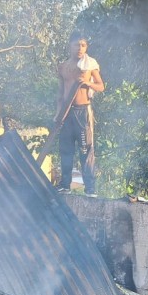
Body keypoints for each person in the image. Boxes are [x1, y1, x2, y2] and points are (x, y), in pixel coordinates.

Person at [55, 32, 105, 194]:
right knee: (66, 149)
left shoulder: (89, 65)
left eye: (83, 45)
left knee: (86, 150)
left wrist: (88, 83)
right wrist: (57, 115)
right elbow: (61, 94)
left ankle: (90, 188)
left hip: (83, 112)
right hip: (66, 113)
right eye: (77, 45)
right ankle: (65, 185)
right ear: (70, 45)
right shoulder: (62, 67)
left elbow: (101, 86)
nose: (80, 48)